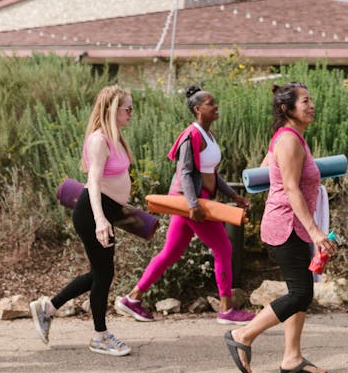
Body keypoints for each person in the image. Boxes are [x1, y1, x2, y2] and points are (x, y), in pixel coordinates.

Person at [223, 82, 337, 373]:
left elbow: (267, 167)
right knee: (300, 294)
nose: (312, 106)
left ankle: (292, 357)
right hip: (287, 226)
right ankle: (243, 335)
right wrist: (315, 231)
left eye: (312, 100)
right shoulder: (289, 140)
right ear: (287, 109)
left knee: (299, 288)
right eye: (305, 101)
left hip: (294, 226)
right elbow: (289, 188)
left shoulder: (291, 137)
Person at [114, 85, 253, 325]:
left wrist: (233, 195)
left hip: (192, 202)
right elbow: (186, 173)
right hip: (190, 202)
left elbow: (211, 173)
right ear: (198, 109)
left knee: (171, 252)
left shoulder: (208, 135)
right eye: (211, 103)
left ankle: (132, 298)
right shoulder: (192, 135)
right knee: (223, 248)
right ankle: (227, 309)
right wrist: (193, 205)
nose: (216, 106)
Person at [29, 84, 137, 357]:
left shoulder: (117, 137)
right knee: (104, 274)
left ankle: (48, 308)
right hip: (92, 213)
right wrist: (102, 220)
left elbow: (114, 180)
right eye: (128, 108)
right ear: (113, 109)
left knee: (99, 274)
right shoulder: (99, 140)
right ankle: (100, 336)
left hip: (106, 212)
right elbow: (93, 181)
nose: (132, 113)